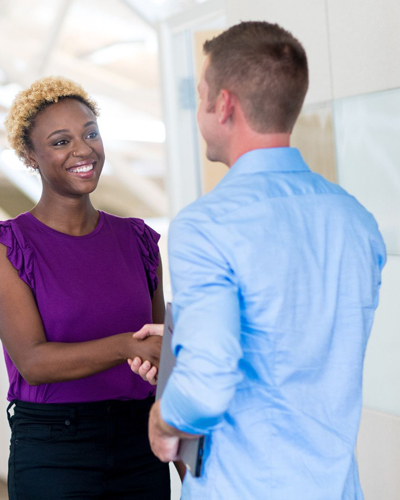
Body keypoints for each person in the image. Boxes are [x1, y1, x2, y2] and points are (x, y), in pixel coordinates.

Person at [131, 21, 386, 499]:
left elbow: (207, 386)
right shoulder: (356, 220)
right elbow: (305, 329)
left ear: (223, 104)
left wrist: (163, 419)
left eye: (201, 94)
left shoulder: (205, 225)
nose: (199, 110)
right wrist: (186, 334)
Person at [0, 76, 175, 499]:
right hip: (54, 450)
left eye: (91, 134)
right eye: (61, 141)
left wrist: (190, 463)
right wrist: (126, 346)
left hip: (141, 442)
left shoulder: (137, 240)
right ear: (31, 156)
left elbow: (160, 358)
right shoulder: (7, 246)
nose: (83, 150)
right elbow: (33, 362)